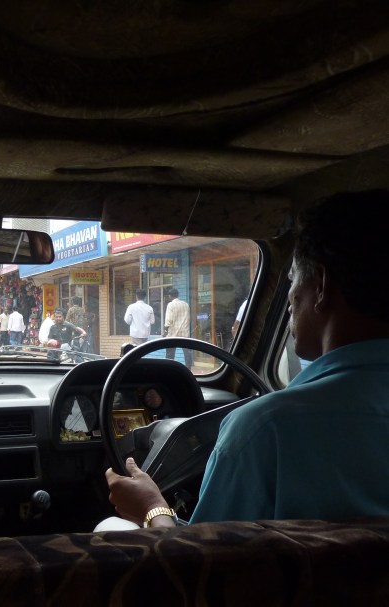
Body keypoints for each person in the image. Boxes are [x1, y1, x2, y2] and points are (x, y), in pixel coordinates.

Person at [98, 190, 389, 530]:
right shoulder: (268, 425)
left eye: (292, 280)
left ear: (321, 286)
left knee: (110, 526)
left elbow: (205, 557)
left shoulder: (265, 428)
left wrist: (152, 508)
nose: (290, 299)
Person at [163, 288, 192, 368]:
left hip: (173, 333)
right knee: (187, 353)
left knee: (170, 354)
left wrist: (165, 331)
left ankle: (169, 368)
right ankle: (188, 369)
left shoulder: (170, 305)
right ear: (177, 295)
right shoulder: (186, 304)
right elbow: (188, 318)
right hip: (184, 333)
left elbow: (168, 320)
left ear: (170, 296)